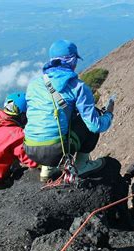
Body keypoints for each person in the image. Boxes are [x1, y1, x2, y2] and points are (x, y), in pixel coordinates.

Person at [24, 39, 114, 182]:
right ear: (71, 60)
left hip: (30, 148)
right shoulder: (78, 87)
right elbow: (95, 126)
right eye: (75, 60)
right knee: (94, 115)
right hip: (55, 151)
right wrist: (109, 114)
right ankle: (82, 165)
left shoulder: (34, 84)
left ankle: (47, 169)